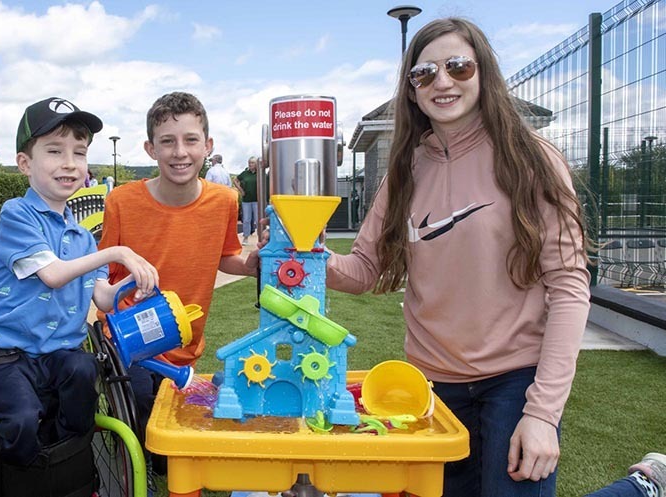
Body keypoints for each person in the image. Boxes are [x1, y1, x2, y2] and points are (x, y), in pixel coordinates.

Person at [323, 18, 590, 497]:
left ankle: (640, 484)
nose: (442, 82)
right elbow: (363, 270)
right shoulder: (405, 171)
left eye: (458, 66)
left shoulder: (533, 160)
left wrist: (543, 413)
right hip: (429, 387)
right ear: (411, 90)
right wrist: (306, 255)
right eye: (424, 73)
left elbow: (570, 288)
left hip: (515, 382)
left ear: (483, 72)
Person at [0, 97, 158, 467]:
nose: (70, 163)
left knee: (85, 370)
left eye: (79, 152)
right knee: (22, 419)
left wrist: (131, 286)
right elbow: (53, 275)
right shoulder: (17, 214)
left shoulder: (83, 237)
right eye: (54, 151)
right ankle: (25, 477)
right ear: (25, 163)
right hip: (8, 352)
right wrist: (116, 252)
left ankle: (64, 463)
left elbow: (102, 299)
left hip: (61, 352)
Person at [98, 91, 259, 462]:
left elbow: (227, 256)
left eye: (190, 140)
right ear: (150, 149)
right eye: (167, 142)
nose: (180, 152)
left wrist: (250, 265)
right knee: (139, 414)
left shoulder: (224, 201)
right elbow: (103, 274)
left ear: (208, 145)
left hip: (184, 341)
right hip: (128, 338)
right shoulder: (121, 202)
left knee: (167, 454)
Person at [234, 156, 260, 245]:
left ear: (256, 164)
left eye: (252, 163)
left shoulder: (260, 173)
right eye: (249, 163)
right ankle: (245, 237)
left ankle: (261, 238)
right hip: (246, 200)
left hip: (257, 200)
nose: (250, 164)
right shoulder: (245, 173)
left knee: (258, 220)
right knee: (246, 219)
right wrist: (241, 190)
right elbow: (235, 180)